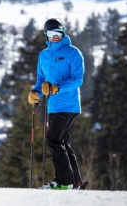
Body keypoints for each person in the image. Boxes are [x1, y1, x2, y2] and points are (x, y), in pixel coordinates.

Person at [28, 18, 85, 190]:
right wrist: (35, 93)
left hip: (68, 105)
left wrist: (56, 88)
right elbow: (41, 80)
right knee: (62, 142)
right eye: (51, 34)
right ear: (46, 35)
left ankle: (64, 181)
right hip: (53, 106)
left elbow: (77, 80)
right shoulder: (43, 55)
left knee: (53, 139)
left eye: (58, 33)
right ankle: (75, 182)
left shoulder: (73, 52)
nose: (55, 37)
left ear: (63, 33)